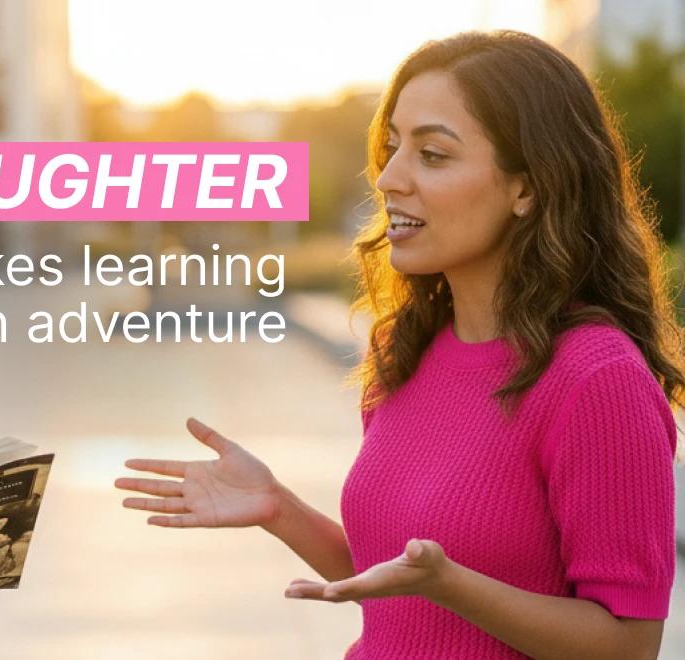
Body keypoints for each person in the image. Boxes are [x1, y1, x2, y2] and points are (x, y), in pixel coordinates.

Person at [117, 30, 682, 659]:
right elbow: (397, 580)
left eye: (432, 155)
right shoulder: (406, 348)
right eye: (390, 149)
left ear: (528, 186)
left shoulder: (594, 378)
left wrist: (453, 586)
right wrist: (279, 508)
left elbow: (628, 647)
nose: (388, 178)